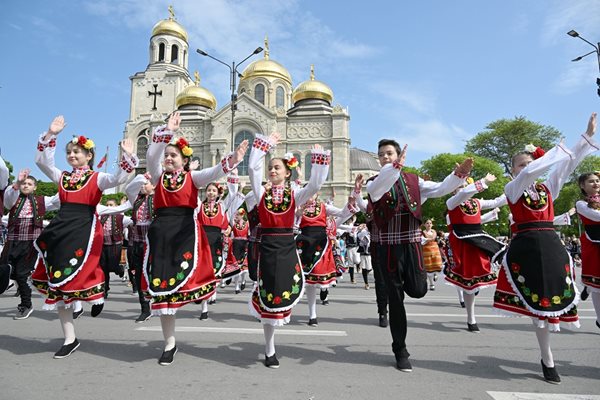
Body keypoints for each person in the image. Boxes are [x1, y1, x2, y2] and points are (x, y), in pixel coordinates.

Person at [493, 112, 597, 384]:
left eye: (529, 161)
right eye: (520, 164)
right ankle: (547, 357)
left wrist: (585, 138)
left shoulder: (547, 187)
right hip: (526, 248)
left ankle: (546, 354)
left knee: (551, 305)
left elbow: (566, 167)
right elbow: (530, 172)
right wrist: (550, 155)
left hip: (550, 245)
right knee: (539, 308)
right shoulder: (512, 188)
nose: (526, 166)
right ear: (512, 170)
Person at [144, 111, 248, 365]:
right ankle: (169, 343)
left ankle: (199, 302)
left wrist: (233, 160)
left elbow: (213, 173)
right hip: (161, 234)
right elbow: (151, 156)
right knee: (161, 291)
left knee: (180, 280)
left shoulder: (193, 178)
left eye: (173, 155)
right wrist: (167, 132)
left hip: (184, 235)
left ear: (184, 160)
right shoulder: (158, 177)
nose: (168, 158)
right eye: (167, 155)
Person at [32, 115, 138, 358]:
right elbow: (43, 163)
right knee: (58, 282)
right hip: (62, 228)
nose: (71, 155)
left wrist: (128, 157)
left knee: (86, 264)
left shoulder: (97, 178)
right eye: (69, 152)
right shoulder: (63, 178)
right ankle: (69, 338)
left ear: (89, 155)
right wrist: (51, 134)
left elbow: (118, 179)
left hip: (85, 227)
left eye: (77, 152)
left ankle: (97, 291)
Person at [367, 138, 472, 372]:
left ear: (398, 156)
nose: (385, 157)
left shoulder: (414, 181)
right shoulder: (374, 183)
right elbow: (378, 191)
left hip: (411, 245)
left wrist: (458, 175)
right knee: (396, 301)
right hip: (387, 247)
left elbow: (439, 189)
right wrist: (394, 169)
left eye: (390, 154)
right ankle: (400, 350)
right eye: (382, 154)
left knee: (418, 289)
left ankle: (408, 287)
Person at [248, 132, 329, 368]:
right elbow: (253, 169)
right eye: (271, 168)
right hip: (267, 246)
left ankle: (279, 337)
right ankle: (269, 349)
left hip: (286, 247)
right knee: (267, 297)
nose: (272, 171)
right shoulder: (261, 192)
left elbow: (315, 185)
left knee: (282, 293)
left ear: (287, 173)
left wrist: (317, 160)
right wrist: (264, 147)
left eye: (277, 168)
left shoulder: (294, 194)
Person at [444, 174, 506, 332]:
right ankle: (471, 318)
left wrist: (519, 187)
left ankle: (472, 310)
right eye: (460, 185)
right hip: (461, 242)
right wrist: (483, 182)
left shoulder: (476, 202)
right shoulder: (452, 202)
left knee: (476, 279)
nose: (463, 187)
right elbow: (464, 194)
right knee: (467, 283)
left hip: (478, 240)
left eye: (465, 184)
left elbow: (497, 201)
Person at [1, 169, 60, 319]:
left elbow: (58, 199)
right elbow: (8, 199)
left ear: (35, 187)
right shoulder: (14, 197)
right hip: (13, 241)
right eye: (24, 183)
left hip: (30, 243)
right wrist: (17, 183)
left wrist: (68, 185)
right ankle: (19, 288)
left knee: (21, 274)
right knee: (7, 270)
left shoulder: (41, 201)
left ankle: (26, 305)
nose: (26, 185)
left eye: (29, 184)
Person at [125, 172, 155, 323]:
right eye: (141, 184)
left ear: (154, 185)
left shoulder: (158, 199)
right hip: (137, 243)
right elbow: (129, 188)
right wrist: (142, 177)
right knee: (138, 276)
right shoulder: (135, 200)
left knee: (153, 274)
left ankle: (157, 303)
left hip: (153, 245)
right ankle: (145, 308)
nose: (142, 186)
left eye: (146, 183)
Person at [575, 172, 600, 329]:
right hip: (594, 245)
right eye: (591, 181)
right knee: (597, 284)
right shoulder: (581, 204)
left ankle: (588, 287)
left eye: (597, 181)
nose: (596, 183)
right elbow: (596, 217)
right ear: (583, 186)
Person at [421, 219, 443, 290]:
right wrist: (426, 240)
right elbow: (422, 241)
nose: (429, 224)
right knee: (429, 268)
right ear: (424, 225)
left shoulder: (434, 231)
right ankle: (431, 284)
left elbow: (434, 238)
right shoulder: (422, 232)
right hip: (426, 252)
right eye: (427, 223)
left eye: (430, 223)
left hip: (435, 251)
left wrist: (427, 239)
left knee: (437, 265)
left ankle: (435, 274)